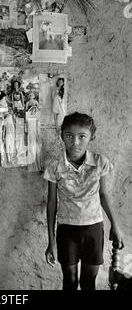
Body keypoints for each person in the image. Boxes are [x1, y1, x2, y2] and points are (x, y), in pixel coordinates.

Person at [44, 112, 124, 290]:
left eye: (82, 136)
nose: (75, 142)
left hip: (93, 228)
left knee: (89, 282)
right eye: (69, 136)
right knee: (70, 281)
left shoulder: (99, 162)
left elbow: (103, 195)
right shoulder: (54, 166)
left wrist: (115, 225)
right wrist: (51, 241)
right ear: (62, 136)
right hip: (66, 230)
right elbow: (51, 204)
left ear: (91, 137)